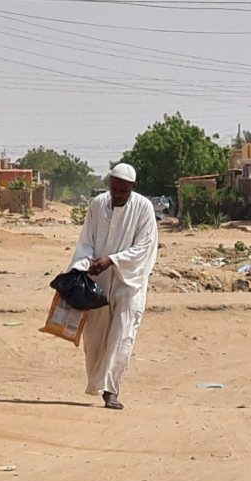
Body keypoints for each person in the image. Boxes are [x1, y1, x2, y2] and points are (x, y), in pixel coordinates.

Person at [68, 163, 158, 410]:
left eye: (123, 191)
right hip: (98, 281)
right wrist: (83, 265)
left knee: (122, 334)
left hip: (130, 282)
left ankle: (110, 390)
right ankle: (96, 382)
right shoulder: (97, 205)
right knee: (94, 336)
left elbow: (144, 247)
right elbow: (86, 241)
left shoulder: (143, 208)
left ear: (132, 187)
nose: (117, 195)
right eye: (114, 189)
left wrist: (113, 260)